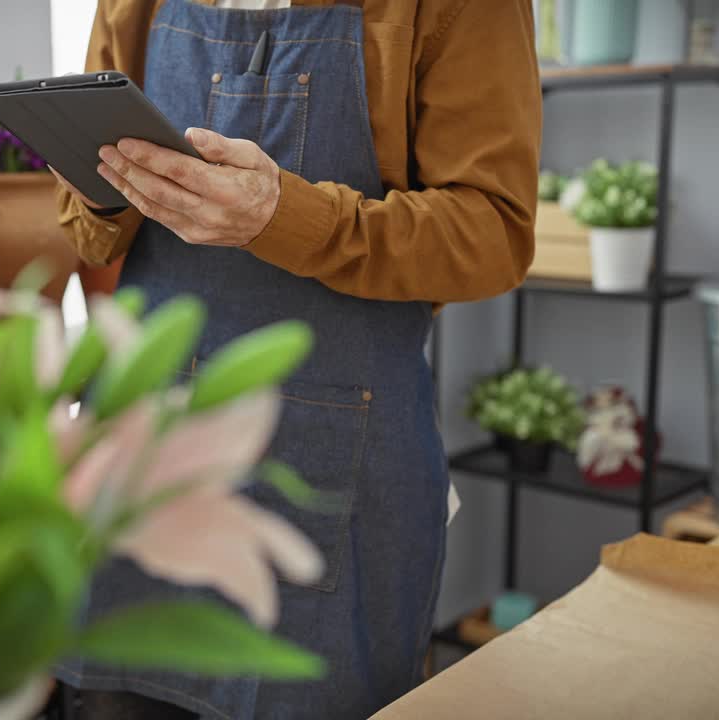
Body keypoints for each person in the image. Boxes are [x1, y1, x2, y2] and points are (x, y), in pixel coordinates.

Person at [52, 1, 541, 718]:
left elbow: (494, 234)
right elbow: (86, 232)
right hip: (146, 451)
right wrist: (113, 183)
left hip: (339, 462)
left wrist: (282, 215)